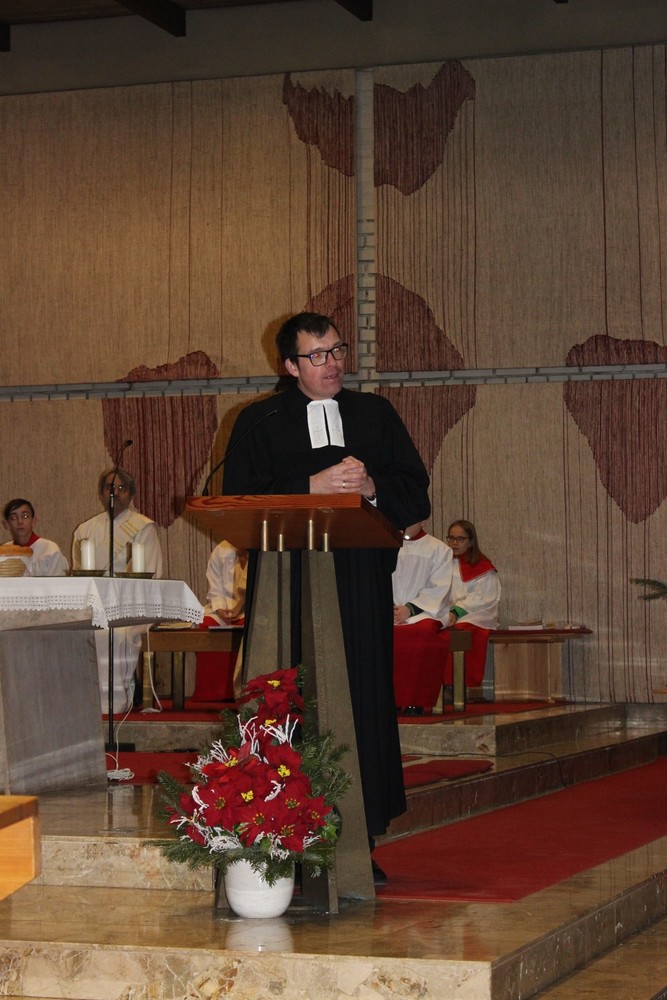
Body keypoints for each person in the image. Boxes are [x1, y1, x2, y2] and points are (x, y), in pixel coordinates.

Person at [221, 311, 431, 884]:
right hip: (286, 583)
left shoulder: (375, 414)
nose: (332, 363)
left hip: (359, 582)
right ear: (290, 366)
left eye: (337, 350)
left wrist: (371, 487)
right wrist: (308, 488)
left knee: (357, 700)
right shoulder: (259, 420)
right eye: (317, 355)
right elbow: (236, 497)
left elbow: (416, 494)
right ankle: (277, 836)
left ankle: (356, 841)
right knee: (288, 703)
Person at [72, 467, 163, 713]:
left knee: (116, 633)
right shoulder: (85, 530)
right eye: (110, 488)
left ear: (131, 494)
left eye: (122, 488)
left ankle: (117, 698)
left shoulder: (143, 527)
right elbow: (79, 575)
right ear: (101, 493)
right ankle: (87, 697)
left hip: (129, 605)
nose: (115, 493)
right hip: (95, 606)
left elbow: (150, 573)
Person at [392, 521, 453, 715]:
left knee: (421, 634)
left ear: (422, 521)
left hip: (424, 611)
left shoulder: (439, 549)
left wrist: (409, 609)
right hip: (391, 610)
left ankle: (415, 701)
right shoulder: (386, 544)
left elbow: (439, 588)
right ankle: (390, 700)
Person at [444, 519, 500, 690]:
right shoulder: (444, 564)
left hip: (477, 614)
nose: (454, 543)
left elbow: (482, 598)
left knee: (461, 630)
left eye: (460, 539)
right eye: (451, 538)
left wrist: (456, 612)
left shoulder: (483, 567)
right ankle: (439, 685)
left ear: (471, 541)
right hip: (449, 613)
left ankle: (461, 686)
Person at [192, 540, 247, 702]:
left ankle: (238, 691)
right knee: (207, 624)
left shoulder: (259, 545)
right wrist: (220, 607)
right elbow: (214, 584)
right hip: (222, 609)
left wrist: (238, 608)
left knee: (249, 627)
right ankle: (211, 693)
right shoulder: (221, 549)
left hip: (247, 609)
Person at [2, 497, 69, 576]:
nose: (20, 522)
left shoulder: (49, 550)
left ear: (33, 521)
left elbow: (58, 582)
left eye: (25, 516)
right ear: (6, 524)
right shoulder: (4, 552)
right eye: (13, 518)